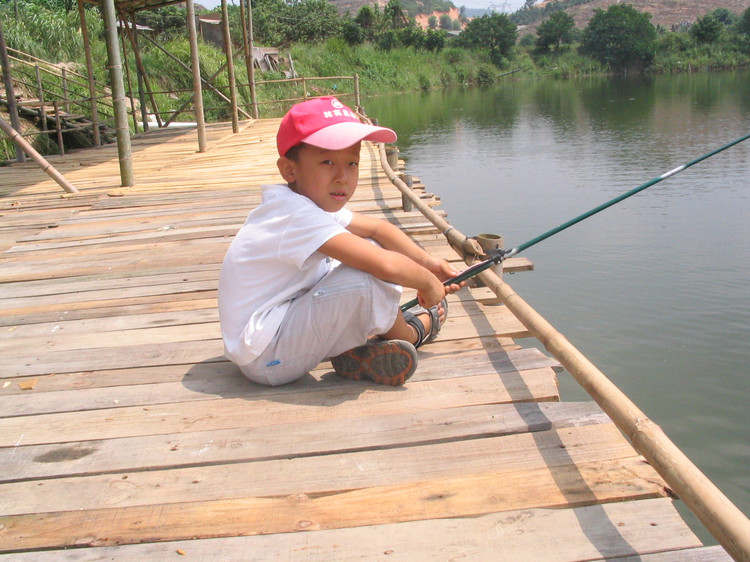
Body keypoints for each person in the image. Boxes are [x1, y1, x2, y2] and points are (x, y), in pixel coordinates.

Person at [218, 96, 463, 387]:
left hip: (277, 331)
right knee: (369, 273)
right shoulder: (294, 216)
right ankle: (411, 334)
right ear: (289, 170)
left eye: (351, 163)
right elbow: (384, 264)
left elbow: (378, 229)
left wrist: (430, 264)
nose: (342, 177)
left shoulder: (301, 203)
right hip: (266, 358)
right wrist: (427, 283)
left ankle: (358, 351)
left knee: (367, 252)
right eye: (327, 162)